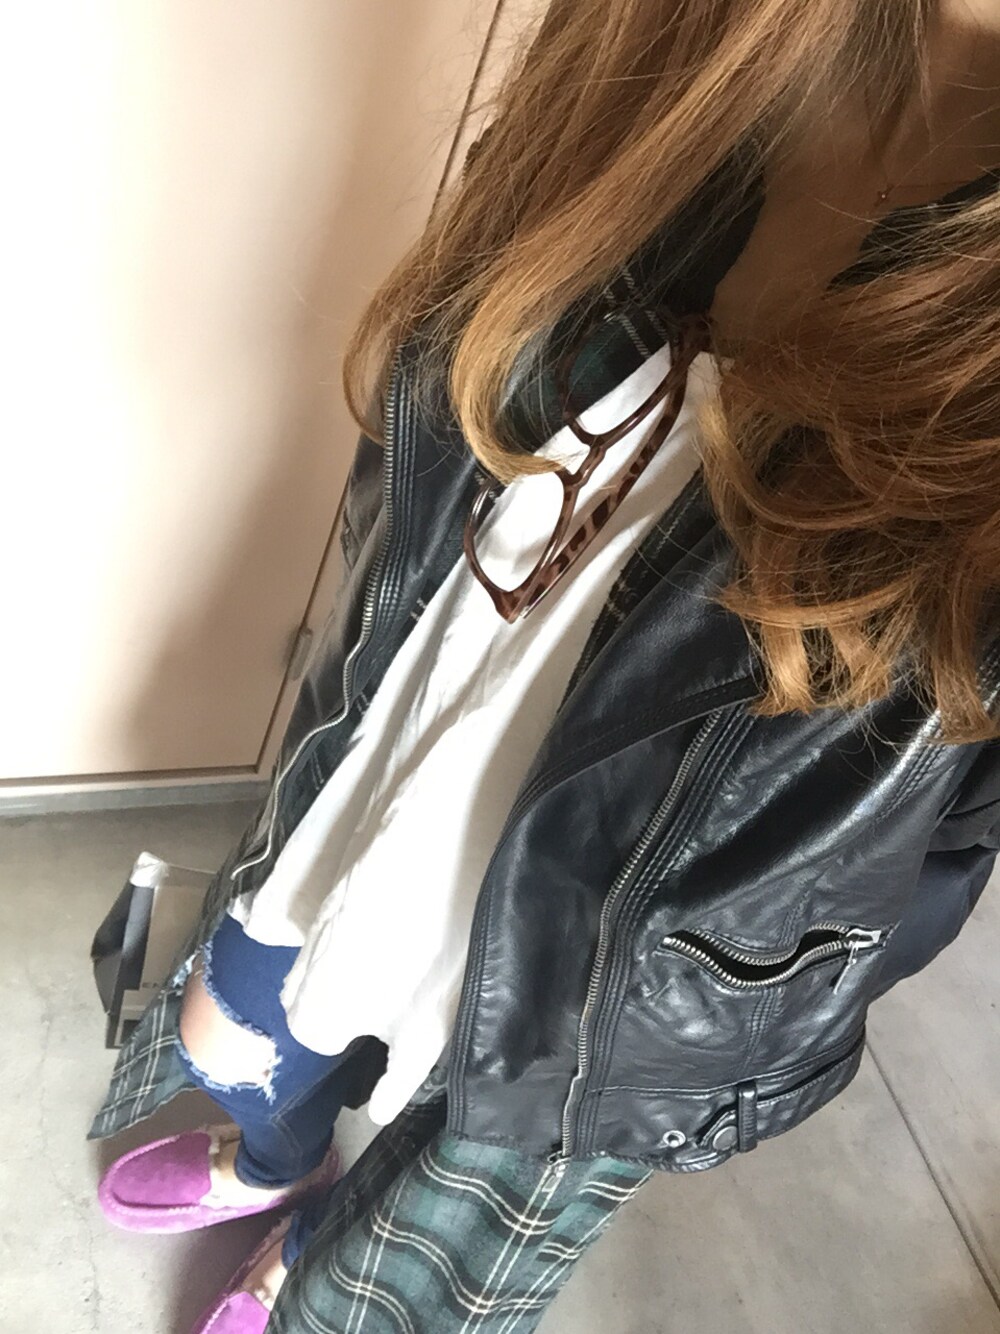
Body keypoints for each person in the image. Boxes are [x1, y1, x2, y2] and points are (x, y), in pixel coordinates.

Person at [90, 1, 1000, 1330]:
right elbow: (428, 462)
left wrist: (727, 1016)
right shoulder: (674, 36)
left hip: (626, 968)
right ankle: (282, 1160)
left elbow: (936, 845)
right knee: (230, 1035)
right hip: (400, 739)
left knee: (406, 1251)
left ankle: (315, 1253)